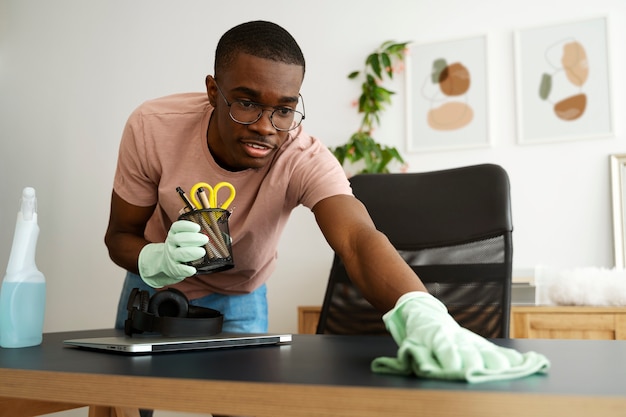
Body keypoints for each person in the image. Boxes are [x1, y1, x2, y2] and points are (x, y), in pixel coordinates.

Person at [105, 21, 548, 400]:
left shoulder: (303, 156)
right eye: (245, 103)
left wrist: (422, 312)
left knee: (240, 405)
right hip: (155, 287)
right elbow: (120, 234)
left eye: (284, 109)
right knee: (124, 398)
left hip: (240, 295)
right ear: (212, 91)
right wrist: (154, 258)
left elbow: (356, 239)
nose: (265, 126)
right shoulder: (153, 127)